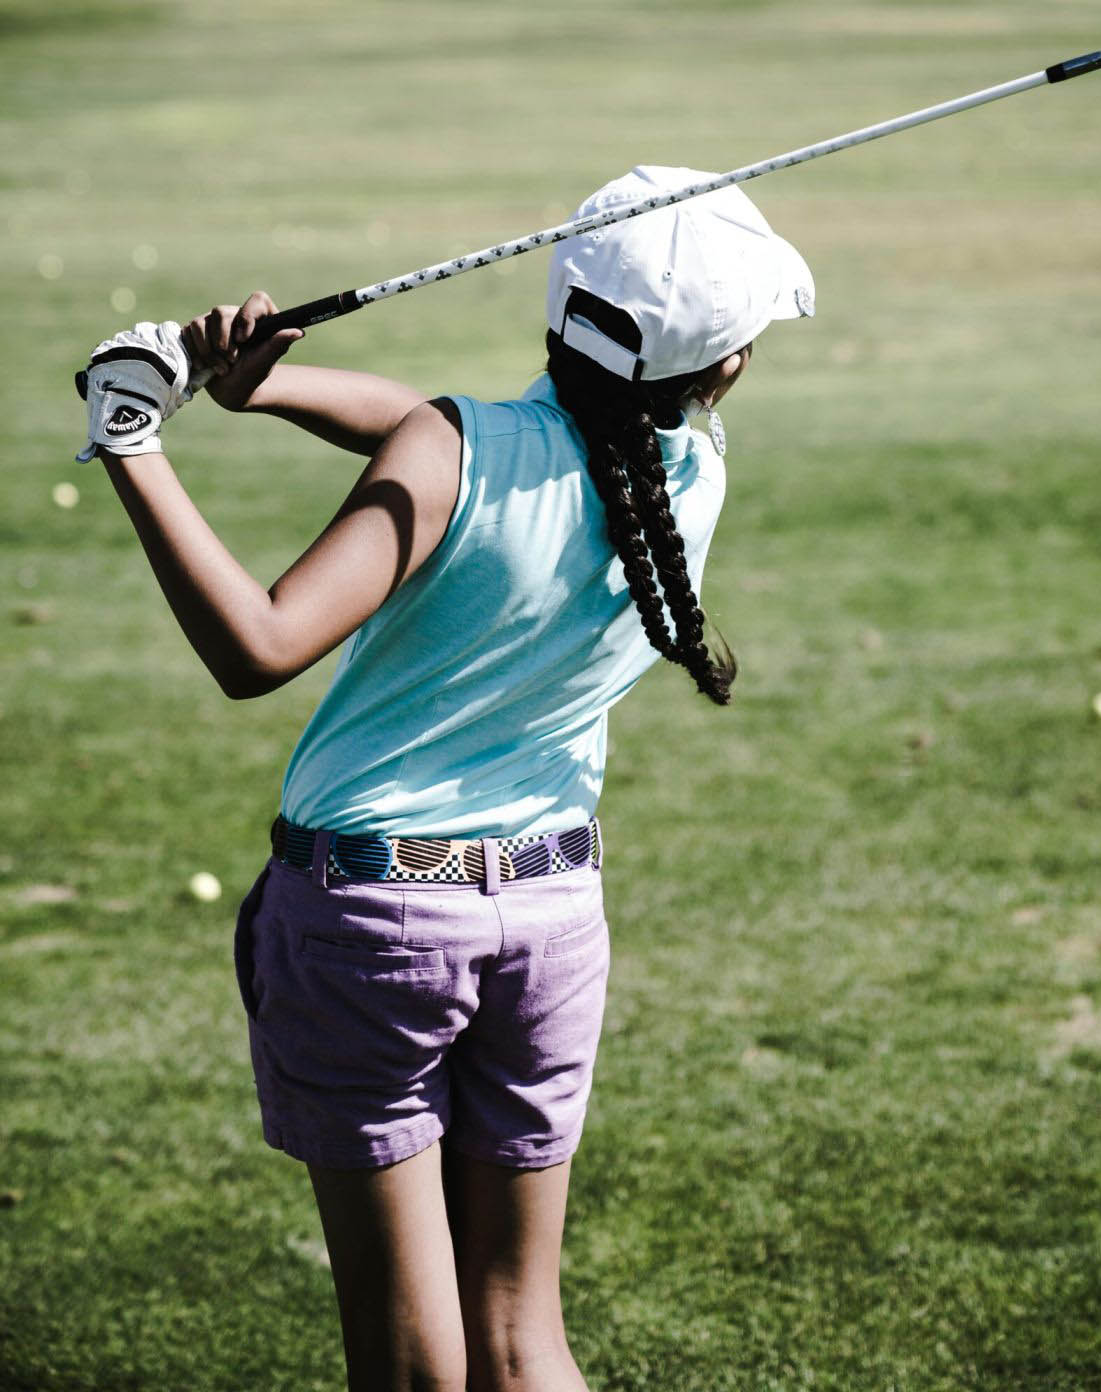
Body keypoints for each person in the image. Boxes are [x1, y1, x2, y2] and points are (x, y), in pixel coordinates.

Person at [75, 165, 815, 1392]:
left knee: (415, 1367)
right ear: (721, 366)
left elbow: (258, 647)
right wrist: (266, 390)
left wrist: (131, 435)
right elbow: (436, 429)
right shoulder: (686, 478)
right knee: (524, 1345)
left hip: (372, 927)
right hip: (551, 919)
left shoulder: (457, 450)